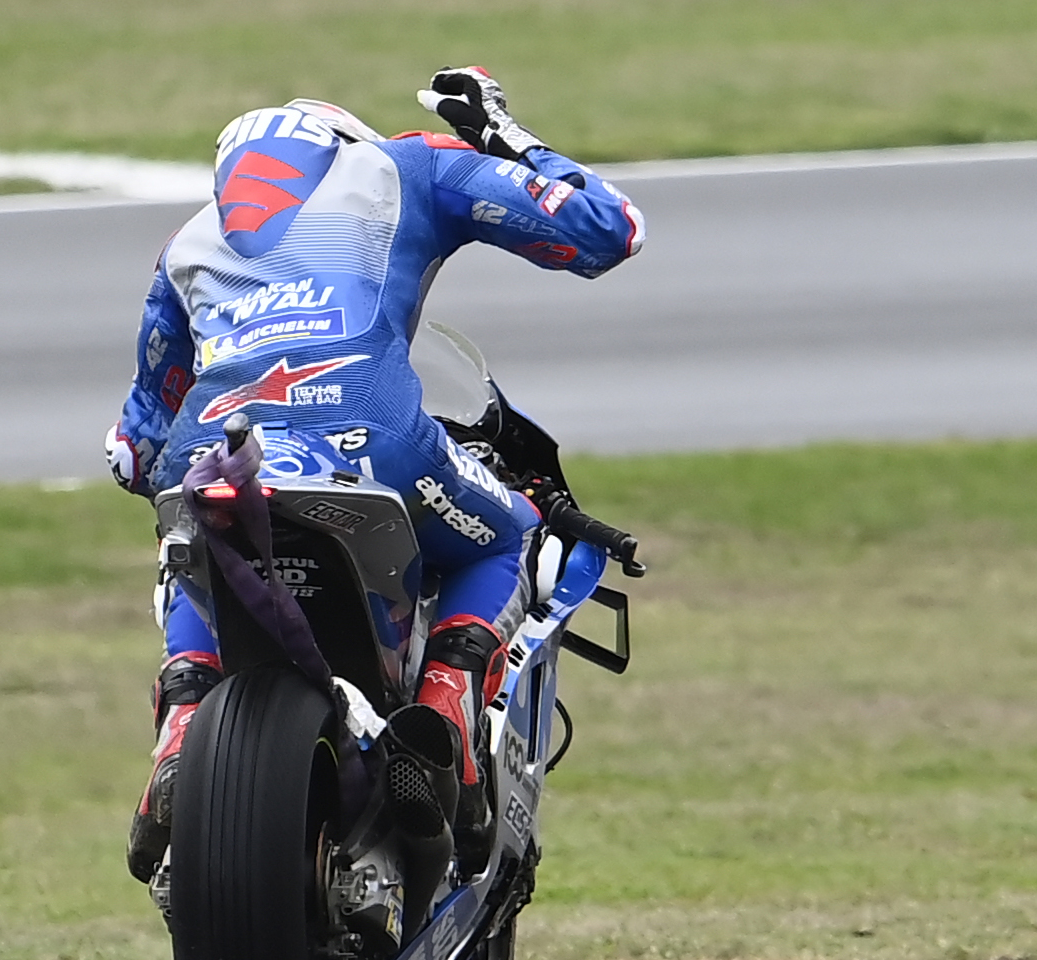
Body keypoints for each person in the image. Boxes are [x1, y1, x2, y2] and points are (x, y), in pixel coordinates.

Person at [104, 67, 647, 884]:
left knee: (188, 535)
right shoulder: (406, 165)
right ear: (341, 147)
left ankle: (184, 718)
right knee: (509, 532)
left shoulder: (186, 245)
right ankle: (442, 711)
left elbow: (137, 447)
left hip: (214, 448)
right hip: (369, 433)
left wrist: (136, 455)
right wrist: (502, 137)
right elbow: (608, 231)